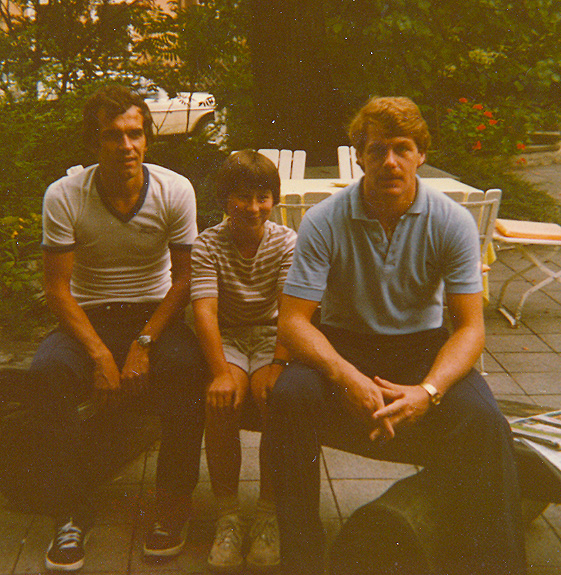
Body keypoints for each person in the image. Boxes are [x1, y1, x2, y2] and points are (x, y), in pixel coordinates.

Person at [264, 96, 527, 575]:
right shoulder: (324, 220)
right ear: (359, 157)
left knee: (487, 423)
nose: (389, 161)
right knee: (289, 398)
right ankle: (300, 558)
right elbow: (294, 322)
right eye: (377, 149)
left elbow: (470, 329)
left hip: (420, 347)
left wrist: (428, 391)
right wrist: (345, 376)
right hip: (343, 343)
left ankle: (494, 564)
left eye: (402, 148)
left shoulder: (451, 221)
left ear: (420, 154)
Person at [29, 84, 207, 571]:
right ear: (94, 142)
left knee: (188, 370)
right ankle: (70, 511)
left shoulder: (175, 190)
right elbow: (57, 289)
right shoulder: (64, 195)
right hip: (88, 315)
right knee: (47, 375)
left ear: (147, 138)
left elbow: (185, 279)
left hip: (154, 313)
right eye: (112, 135)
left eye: (135, 134)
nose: (126, 146)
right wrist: (101, 354)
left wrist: (144, 343)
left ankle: (171, 503)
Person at [190, 150, 296, 573]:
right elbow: (204, 310)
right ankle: (228, 515)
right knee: (222, 401)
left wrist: (279, 364)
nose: (253, 207)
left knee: (274, 398)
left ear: (274, 199)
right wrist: (219, 372)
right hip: (230, 336)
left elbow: (290, 309)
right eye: (243, 197)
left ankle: (268, 513)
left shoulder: (286, 241)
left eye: (262, 197)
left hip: (272, 335)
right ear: (224, 200)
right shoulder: (207, 244)